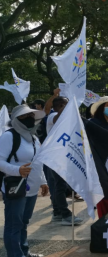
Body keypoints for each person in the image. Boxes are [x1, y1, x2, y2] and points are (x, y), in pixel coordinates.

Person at [0, 105, 49, 257]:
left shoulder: (33, 138)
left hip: (32, 188)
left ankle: (24, 252)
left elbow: (38, 161)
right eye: (25, 116)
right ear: (16, 120)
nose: (30, 119)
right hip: (15, 187)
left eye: (32, 116)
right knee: (14, 225)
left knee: (24, 222)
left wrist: (43, 181)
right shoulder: (9, 136)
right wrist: (17, 170)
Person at [47, 96, 83, 225]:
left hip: (63, 156)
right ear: (59, 106)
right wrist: (67, 108)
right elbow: (58, 118)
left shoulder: (66, 119)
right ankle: (65, 215)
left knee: (59, 185)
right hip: (55, 157)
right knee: (59, 186)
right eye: (65, 105)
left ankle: (57, 213)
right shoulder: (53, 116)